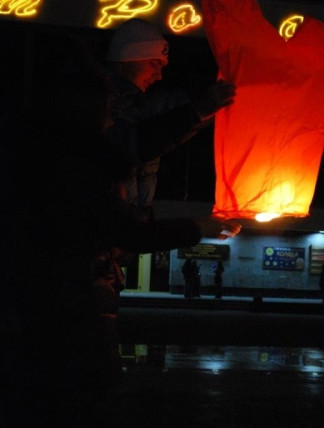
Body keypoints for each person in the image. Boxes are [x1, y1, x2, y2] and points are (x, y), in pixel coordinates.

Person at [0, 38, 240, 427]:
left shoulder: (45, 156)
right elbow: (126, 230)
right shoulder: (77, 168)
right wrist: (199, 227)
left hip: (63, 291)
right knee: (76, 390)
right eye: (107, 112)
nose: (113, 121)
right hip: (73, 294)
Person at [105, 18, 236, 210]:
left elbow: (173, 109)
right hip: (102, 224)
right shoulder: (97, 103)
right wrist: (198, 112)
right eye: (153, 63)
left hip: (124, 223)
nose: (159, 75)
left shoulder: (140, 106)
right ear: (127, 59)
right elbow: (132, 145)